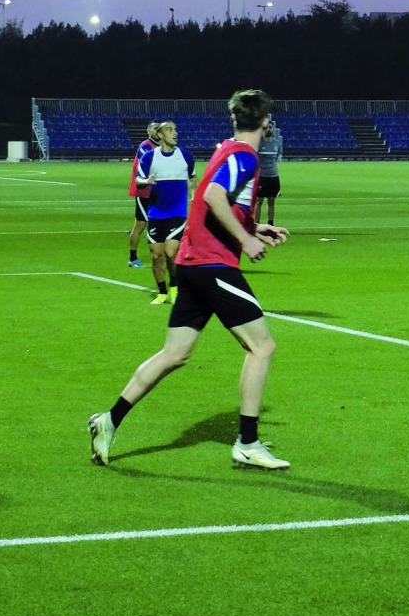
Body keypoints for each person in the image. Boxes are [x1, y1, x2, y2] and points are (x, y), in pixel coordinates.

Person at [88, 90, 291, 470]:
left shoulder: (226, 149)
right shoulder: (245, 155)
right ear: (266, 123)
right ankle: (247, 442)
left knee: (175, 354)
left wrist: (254, 226)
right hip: (212, 266)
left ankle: (108, 421)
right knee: (261, 347)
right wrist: (245, 240)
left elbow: (215, 199)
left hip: (192, 264)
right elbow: (214, 196)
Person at [135, 120, 195, 305]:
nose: (174, 133)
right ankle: (162, 292)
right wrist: (146, 182)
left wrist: (194, 194)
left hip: (177, 213)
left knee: (171, 252)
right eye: (169, 130)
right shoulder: (149, 158)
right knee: (156, 255)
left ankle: (175, 287)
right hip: (156, 213)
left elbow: (192, 177)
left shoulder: (185, 156)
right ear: (160, 135)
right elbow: (138, 180)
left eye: (175, 129)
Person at [126, 121, 161, 268]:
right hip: (144, 190)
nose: (157, 130)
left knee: (159, 222)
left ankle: (160, 253)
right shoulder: (145, 146)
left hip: (157, 191)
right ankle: (132, 258)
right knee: (140, 225)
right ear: (149, 131)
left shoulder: (162, 146)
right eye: (154, 128)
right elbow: (150, 164)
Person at [254, 116, 282, 224]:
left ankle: (271, 223)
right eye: (266, 128)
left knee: (271, 201)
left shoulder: (276, 143)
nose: (268, 129)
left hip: (273, 176)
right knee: (259, 201)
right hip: (262, 176)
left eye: (270, 127)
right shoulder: (258, 143)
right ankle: (256, 224)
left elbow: (275, 158)